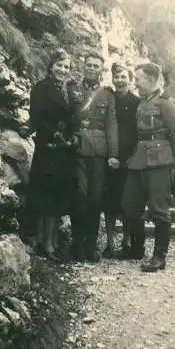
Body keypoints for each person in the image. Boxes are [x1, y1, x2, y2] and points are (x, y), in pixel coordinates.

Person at [122, 62, 175, 272]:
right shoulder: (143, 102)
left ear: (151, 80)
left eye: (138, 79)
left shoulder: (166, 103)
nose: (135, 83)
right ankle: (137, 248)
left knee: (159, 209)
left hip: (160, 160)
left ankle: (160, 257)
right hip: (139, 159)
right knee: (129, 205)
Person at [20, 48, 78, 261]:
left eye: (66, 67)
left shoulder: (69, 91)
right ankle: (45, 244)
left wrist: (72, 137)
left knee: (57, 196)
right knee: (46, 195)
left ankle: (52, 242)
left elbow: (73, 119)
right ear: (51, 66)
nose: (63, 70)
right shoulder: (41, 87)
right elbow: (37, 116)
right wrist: (51, 133)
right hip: (48, 148)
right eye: (59, 65)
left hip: (65, 151)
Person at [69, 51, 119, 262]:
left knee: (95, 198)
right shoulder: (72, 89)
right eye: (88, 64)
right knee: (79, 196)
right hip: (77, 149)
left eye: (95, 66)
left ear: (101, 70)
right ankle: (77, 244)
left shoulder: (107, 95)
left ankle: (91, 246)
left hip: (99, 152)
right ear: (83, 66)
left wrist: (114, 153)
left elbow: (111, 125)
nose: (91, 68)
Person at [102, 62, 141, 259]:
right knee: (109, 202)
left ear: (130, 80)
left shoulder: (136, 102)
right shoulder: (108, 98)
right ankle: (109, 243)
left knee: (127, 202)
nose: (120, 80)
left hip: (129, 158)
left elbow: (139, 131)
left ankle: (126, 241)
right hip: (109, 157)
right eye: (116, 76)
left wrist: (132, 156)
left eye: (123, 76)